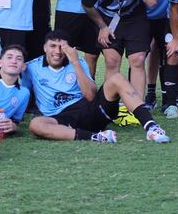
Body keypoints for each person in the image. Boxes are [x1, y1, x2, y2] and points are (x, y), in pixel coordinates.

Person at [24, 30, 170, 143]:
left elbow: (90, 96)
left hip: (89, 111)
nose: (57, 51)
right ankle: (96, 137)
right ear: (44, 47)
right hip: (60, 118)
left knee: (117, 78)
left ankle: (151, 127)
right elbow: (20, 91)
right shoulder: (31, 67)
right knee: (36, 124)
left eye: (62, 47)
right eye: (52, 46)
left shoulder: (78, 62)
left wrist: (75, 62)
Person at [82, 0, 158, 100]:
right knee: (112, 61)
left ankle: (137, 106)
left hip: (135, 19)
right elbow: (86, 4)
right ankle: (109, 106)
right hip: (108, 19)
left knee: (138, 60)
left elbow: (151, 1)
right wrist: (102, 26)